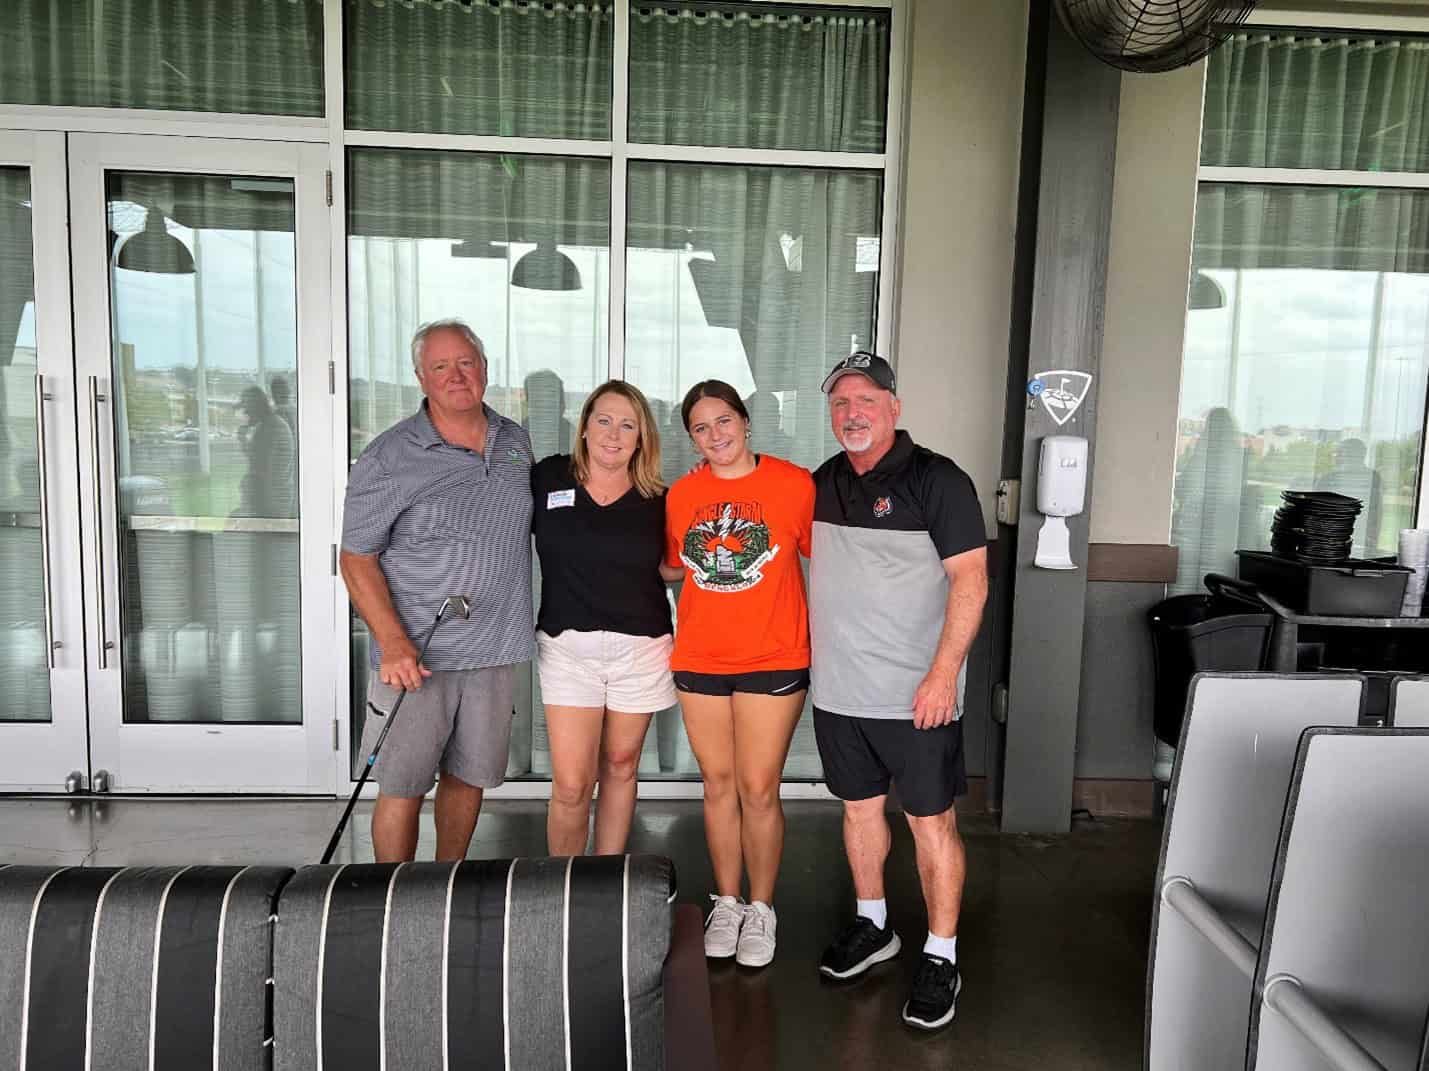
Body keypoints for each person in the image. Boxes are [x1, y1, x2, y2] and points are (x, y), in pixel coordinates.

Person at [809, 351, 988, 1032]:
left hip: (918, 696)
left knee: (929, 823)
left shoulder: (938, 480)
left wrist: (943, 674)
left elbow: (970, 581)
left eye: (865, 400)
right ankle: (873, 923)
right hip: (840, 691)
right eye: (840, 403)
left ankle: (941, 954)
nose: (852, 413)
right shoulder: (822, 482)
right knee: (858, 813)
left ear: (894, 407)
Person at [339, 319, 534, 863]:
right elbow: (355, 558)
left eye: (466, 362)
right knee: (403, 785)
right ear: (421, 377)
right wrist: (393, 643)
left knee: (469, 777)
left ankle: (446, 886)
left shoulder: (515, 441)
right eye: (441, 366)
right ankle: (393, 896)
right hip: (418, 655)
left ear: (485, 369)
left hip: (494, 649)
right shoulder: (389, 457)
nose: (456, 375)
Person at [664, 379, 815, 968]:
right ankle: (726, 902)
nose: (715, 435)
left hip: (773, 656)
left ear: (745, 421)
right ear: (692, 438)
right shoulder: (683, 495)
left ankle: (762, 906)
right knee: (718, 784)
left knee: (758, 787)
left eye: (723, 421)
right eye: (701, 428)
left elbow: (828, 557)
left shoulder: (793, 484)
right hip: (700, 657)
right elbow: (675, 566)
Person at [532, 380, 676, 855]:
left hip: (641, 647)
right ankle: (563, 884)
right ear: (585, 427)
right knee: (572, 784)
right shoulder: (548, 478)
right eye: (604, 421)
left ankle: (607, 879)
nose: (614, 435)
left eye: (627, 425)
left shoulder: (661, 498)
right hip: (567, 648)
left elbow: (671, 565)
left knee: (620, 765)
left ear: (641, 437)